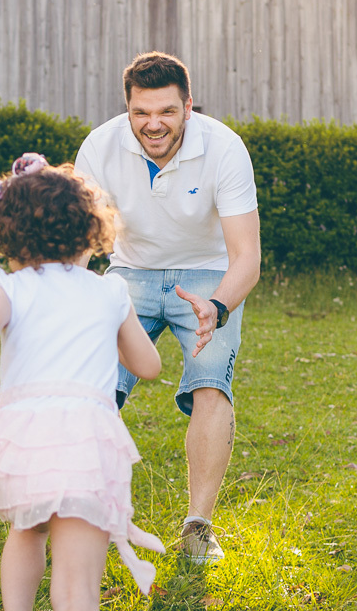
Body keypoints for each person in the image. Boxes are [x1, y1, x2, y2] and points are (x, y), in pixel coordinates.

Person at [0, 155, 164, 610]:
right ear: (90, 230)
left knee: (27, 529)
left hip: (27, 434)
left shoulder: (8, 286)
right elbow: (147, 366)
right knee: (77, 574)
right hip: (87, 439)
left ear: (8, 232)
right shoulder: (109, 292)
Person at [74, 51, 261, 564]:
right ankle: (77, 511)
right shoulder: (101, 145)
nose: (153, 124)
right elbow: (81, 238)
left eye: (167, 112)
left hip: (208, 276)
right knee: (93, 384)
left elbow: (247, 256)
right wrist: (74, 292)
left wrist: (218, 306)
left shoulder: (223, 148)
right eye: (141, 113)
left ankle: (198, 525)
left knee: (210, 383)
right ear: (127, 108)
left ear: (188, 107)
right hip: (130, 273)